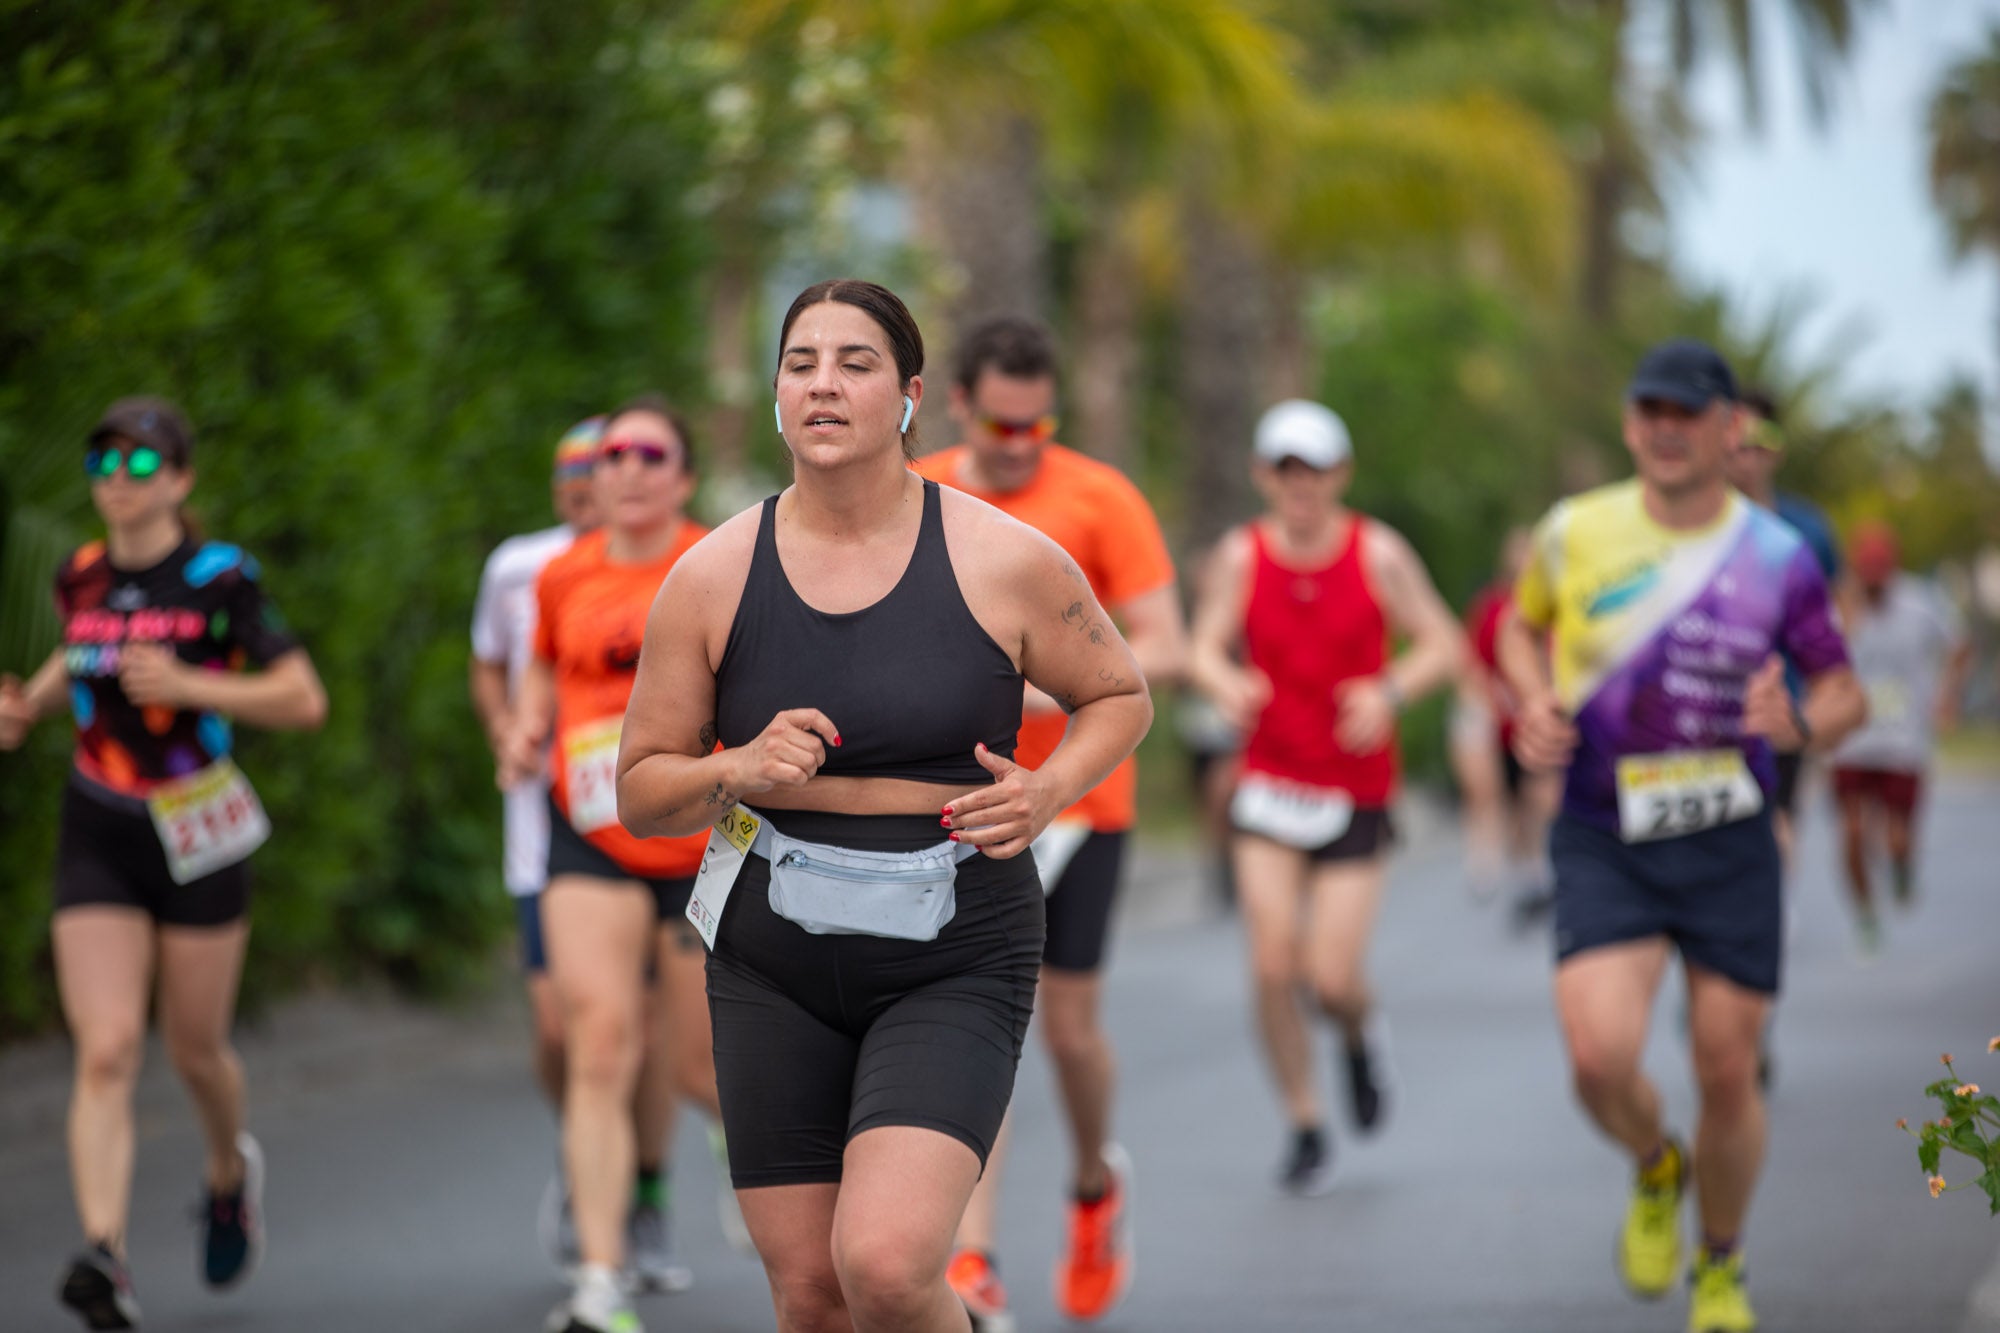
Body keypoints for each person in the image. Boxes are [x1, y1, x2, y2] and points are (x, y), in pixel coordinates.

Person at [615, 278, 1153, 1333]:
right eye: (799, 363)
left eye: (854, 363)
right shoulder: (712, 574)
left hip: (953, 938)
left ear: (907, 396)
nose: (823, 384)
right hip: (771, 950)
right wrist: (736, 768)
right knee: (810, 1294)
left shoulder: (1003, 558)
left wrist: (1046, 789)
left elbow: (1119, 695)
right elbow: (642, 791)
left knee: (888, 1266)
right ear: (774, 397)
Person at [1497, 339, 1865, 1333]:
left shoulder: (1778, 554)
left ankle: (1719, 1260)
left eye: (1685, 411)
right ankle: (1657, 1164)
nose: (1664, 427)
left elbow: (1841, 690)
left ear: (1724, 429)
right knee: (1596, 1055)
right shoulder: (1573, 531)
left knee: (1722, 1063)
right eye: (1647, 409)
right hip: (1601, 828)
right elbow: (1514, 628)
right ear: (1628, 423)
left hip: (1726, 835)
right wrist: (1531, 699)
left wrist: (1804, 724)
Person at [0, 397, 328, 1331]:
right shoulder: (82, 575)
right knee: (104, 1048)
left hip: (196, 827)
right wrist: (28, 705)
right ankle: (105, 1253)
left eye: (141, 463)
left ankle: (229, 1172)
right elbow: (82, 650)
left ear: (181, 481)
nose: (117, 478)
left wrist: (190, 683)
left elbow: (303, 698)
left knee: (194, 1048)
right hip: (98, 821)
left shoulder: (220, 576)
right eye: (103, 460)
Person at [914, 315, 1187, 1329]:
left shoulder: (1100, 498)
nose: (1020, 443)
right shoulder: (920, 492)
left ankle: (1089, 1185)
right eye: (999, 423)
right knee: (968, 1025)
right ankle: (972, 1259)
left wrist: (1048, 688)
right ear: (956, 407)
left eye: (1037, 425)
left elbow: (1162, 642)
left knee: (1068, 1033)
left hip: (1077, 801)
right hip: (955, 803)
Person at [1188, 399, 1463, 1196]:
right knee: (1274, 963)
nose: (1299, 485)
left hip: (1353, 786)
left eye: (1314, 470)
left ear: (1340, 475)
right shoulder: (1241, 557)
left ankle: (1357, 1035)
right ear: (1262, 476)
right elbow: (1201, 645)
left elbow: (1441, 642)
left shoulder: (1378, 553)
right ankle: (1305, 1120)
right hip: (1270, 782)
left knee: (1331, 977)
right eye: (1284, 469)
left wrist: (1389, 689)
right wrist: (1224, 677)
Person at [496, 397, 722, 1332]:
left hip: (700, 836)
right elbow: (544, 662)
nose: (626, 468)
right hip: (587, 828)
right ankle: (600, 1273)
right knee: (597, 1042)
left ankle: (739, 1192)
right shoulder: (562, 574)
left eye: (649, 453)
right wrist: (526, 722)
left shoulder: (725, 562)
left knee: (701, 1065)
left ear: (683, 475)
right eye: (613, 454)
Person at [1828, 521, 1972, 949]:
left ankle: (1902, 868)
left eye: (1879, 577)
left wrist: (1948, 694)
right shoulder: (1842, 606)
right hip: (1853, 740)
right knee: (1852, 832)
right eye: (1865, 576)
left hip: (1903, 740)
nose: (1873, 587)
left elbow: (1960, 645)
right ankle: (1865, 914)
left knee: (1896, 837)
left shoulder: (1921, 602)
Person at [1722, 390, 1841, 865]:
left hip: (1781, 704)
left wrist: (1824, 700)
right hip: (1702, 704)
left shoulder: (1806, 529)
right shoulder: (1696, 526)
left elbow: (1839, 609)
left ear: (1776, 448)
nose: (1745, 454)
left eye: (1758, 440)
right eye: (1735, 439)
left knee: (1778, 824)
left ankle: (1768, 918)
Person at [1450, 527, 1560, 923]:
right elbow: (1470, 664)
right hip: (1495, 713)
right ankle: (1486, 853)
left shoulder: (1557, 606)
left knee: (1537, 794)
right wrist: (1489, 702)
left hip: (1534, 714)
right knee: (1487, 788)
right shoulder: (1491, 606)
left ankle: (1533, 869)